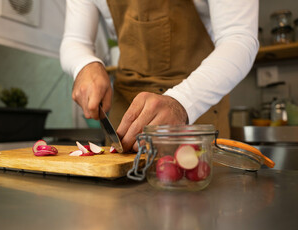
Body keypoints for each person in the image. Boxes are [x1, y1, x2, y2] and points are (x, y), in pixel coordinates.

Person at [60, 0, 259, 152]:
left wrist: (181, 102)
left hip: (197, 103)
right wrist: (85, 65)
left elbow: (239, 37)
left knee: (199, 196)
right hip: (127, 112)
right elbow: (75, 40)